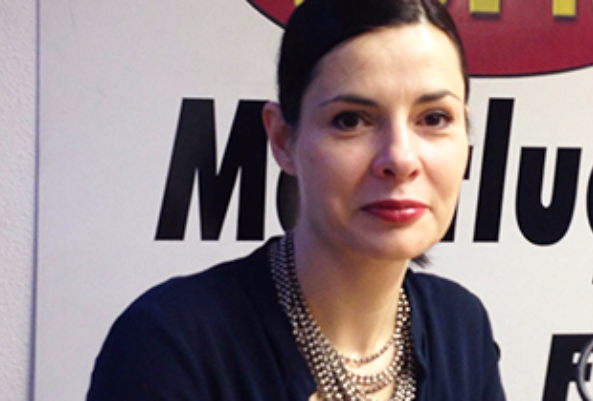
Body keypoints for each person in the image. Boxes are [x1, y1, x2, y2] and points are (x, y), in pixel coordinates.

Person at [87, 0, 505, 400]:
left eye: (434, 118)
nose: (400, 159)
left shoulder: (462, 328)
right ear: (283, 138)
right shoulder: (170, 345)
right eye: (350, 120)